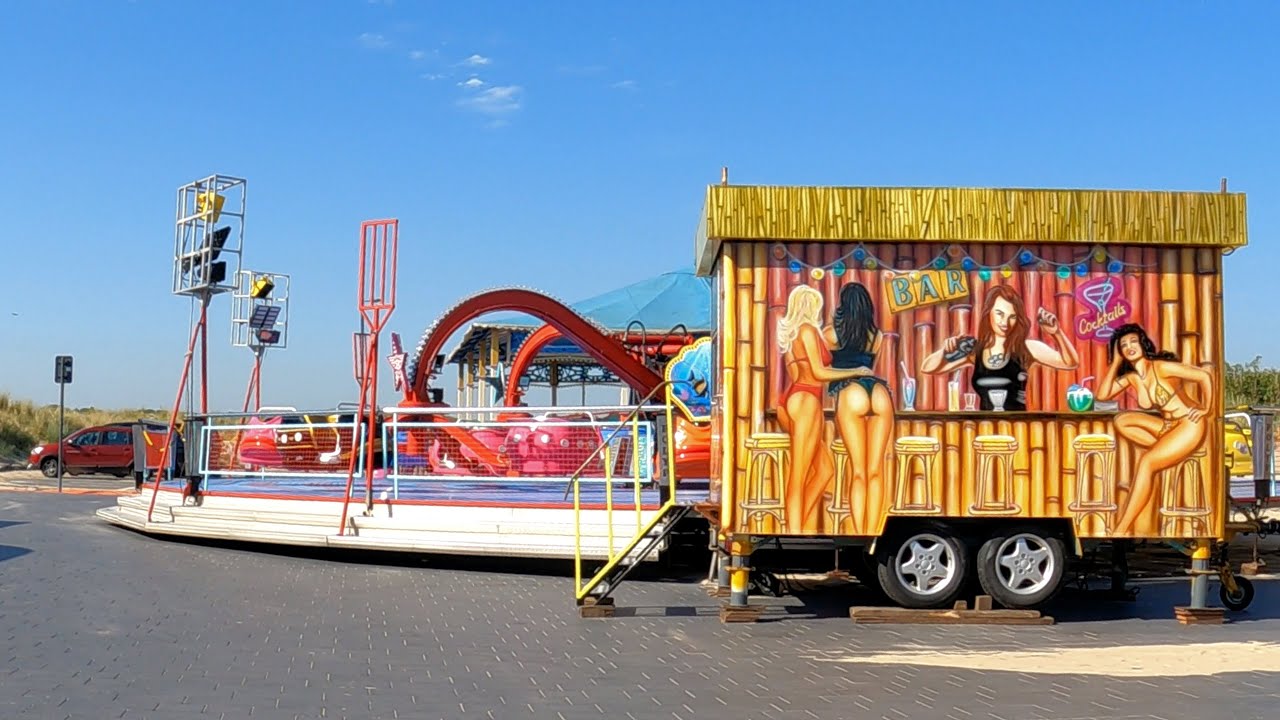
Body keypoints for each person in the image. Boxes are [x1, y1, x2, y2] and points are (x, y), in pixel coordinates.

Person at [775, 285, 874, 534]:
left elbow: (797, 371)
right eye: (816, 304)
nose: (820, 310)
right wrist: (856, 371)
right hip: (806, 399)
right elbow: (819, 373)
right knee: (799, 474)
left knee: (825, 470)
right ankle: (794, 530)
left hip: (792, 399)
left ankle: (794, 526)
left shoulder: (793, 335)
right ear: (808, 306)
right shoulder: (807, 331)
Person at [1096, 323, 1212, 536]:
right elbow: (1102, 395)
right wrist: (1116, 363)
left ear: (1143, 344)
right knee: (1122, 420)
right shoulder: (1132, 378)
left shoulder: (1160, 367)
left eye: (1133, 342)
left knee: (1147, 462)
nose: (1130, 347)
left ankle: (1122, 528)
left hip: (1189, 423)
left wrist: (1205, 408)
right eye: (1123, 345)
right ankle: (1162, 449)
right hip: (1168, 427)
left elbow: (1204, 376)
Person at [922, 285, 1079, 410]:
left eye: (1011, 317)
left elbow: (1070, 363)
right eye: (999, 314)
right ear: (988, 313)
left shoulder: (1026, 348)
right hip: (984, 427)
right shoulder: (975, 350)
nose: (1005, 322)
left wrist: (1057, 333)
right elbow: (927, 367)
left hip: (1017, 428)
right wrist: (944, 351)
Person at [823, 282, 893, 534]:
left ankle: (858, 530)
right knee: (876, 470)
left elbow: (821, 369)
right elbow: (875, 366)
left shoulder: (831, 334)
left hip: (850, 392)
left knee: (859, 471)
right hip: (878, 392)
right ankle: (873, 530)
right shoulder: (878, 337)